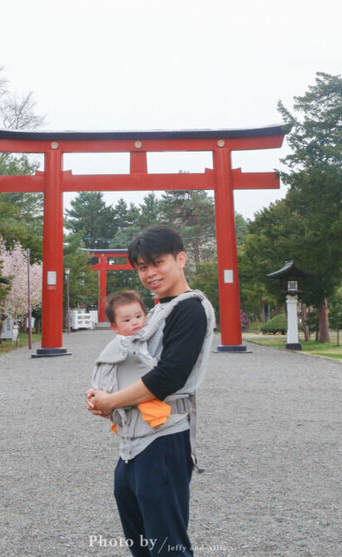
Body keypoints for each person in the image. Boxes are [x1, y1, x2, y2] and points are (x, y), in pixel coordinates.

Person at [86, 226, 215, 557]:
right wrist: (100, 393)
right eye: (143, 267)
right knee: (140, 540)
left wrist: (111, 401)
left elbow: (168, 377)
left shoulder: (190, 308)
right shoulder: (154, 311)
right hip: (133, 441)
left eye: (157, 263)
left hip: (165, 438)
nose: (150, 273)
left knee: (167, 545)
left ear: (180, 259)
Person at [91, 290, 175, 434]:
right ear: (115, 327)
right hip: (129, 385)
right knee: (148, 399)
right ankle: (156, 417)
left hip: (123, 392)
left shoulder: (142, 336)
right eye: (127, 320)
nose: (135, 322)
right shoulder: (125, 343)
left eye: (138, 316)